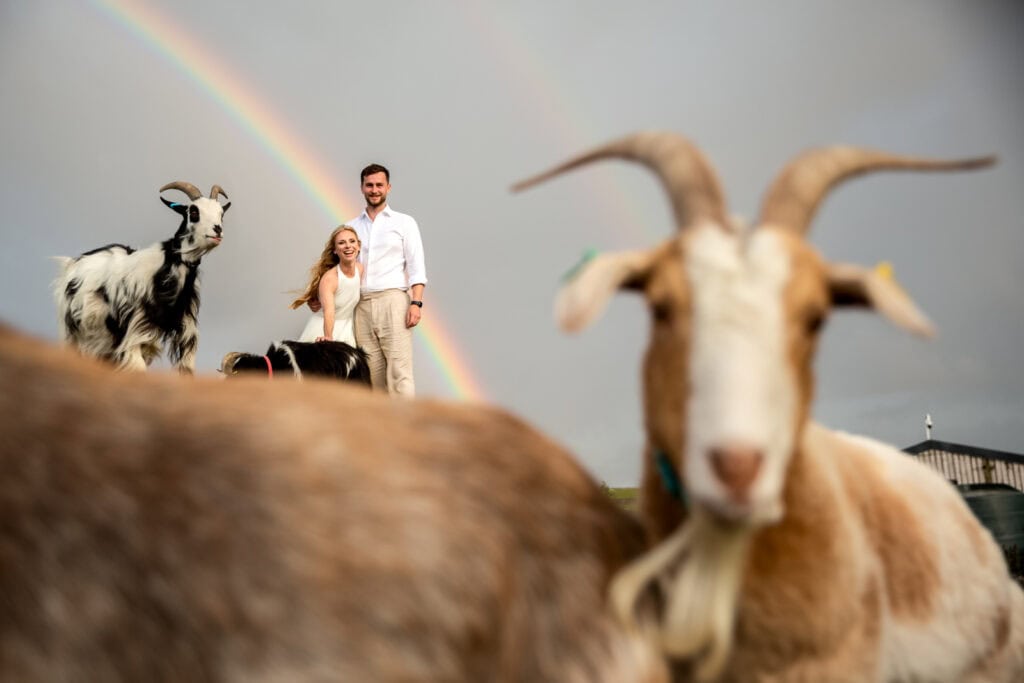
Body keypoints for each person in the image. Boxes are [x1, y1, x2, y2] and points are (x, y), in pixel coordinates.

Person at [347, 163, 427, 397]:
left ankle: (407, 429)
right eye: (369, 185)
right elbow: (340, 268)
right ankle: (383, 430)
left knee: (400, 373)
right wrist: (319, 297)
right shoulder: (351, 227)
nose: (374, 190)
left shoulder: (404, 223)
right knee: (372, 375)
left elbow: (416, 266)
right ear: (362, 188)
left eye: (379, 185)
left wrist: (416, 303)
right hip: (361, 305)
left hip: (393, 301)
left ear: (388, 187)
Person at [292, 225, 362, 346]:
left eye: (352, 241)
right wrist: (328, 337)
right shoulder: (330, 279)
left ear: (358, 246)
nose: (348, 246)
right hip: (324, 328)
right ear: (335, 250)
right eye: (341, 243)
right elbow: (329, 311)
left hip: (348, 328)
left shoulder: (360, 269)